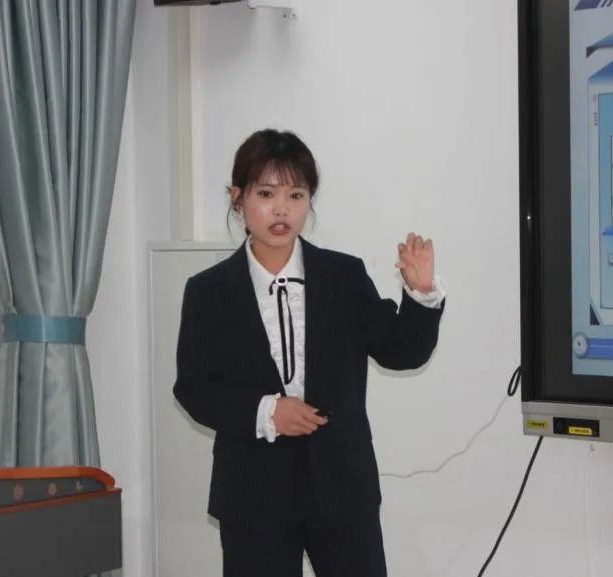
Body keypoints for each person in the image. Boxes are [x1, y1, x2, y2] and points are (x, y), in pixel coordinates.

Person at [173, 128, 445, 577]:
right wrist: (266, 412)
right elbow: (194, 389)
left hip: (342, 488)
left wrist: (420, 294)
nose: (282, 209)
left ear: (309, 202)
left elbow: (401, 351)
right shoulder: (208, 291)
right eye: (266, 193)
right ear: (238, 199)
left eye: (296, 195)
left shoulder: (343, 275)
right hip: (251, 494)